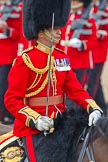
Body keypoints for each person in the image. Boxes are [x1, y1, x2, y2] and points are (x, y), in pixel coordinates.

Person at [4, 0, 103, 161]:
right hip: (32, 128)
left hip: (61, 124)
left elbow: (76, 90)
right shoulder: (25, 60)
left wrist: (93, 107)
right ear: (41, 32)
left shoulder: (61, 58)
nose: (59, 32)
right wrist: (35, 120)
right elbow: (11, 99)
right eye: (54, 29)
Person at [57, 0, 98, 109]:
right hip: (65, 61)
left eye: (76, 1)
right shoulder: (67, 17)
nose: (73, 3)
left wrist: (81, 44)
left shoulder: (88, 19)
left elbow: (93, 41)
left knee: (76, 92)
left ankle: (74, 119)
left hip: (80, 62)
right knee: (63, 90)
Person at [0, 0, 22, 124]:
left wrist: (6, 29)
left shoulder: (17, 9)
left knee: (4, 86)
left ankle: (5, 114)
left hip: (8, 53)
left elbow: (19, 33)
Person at [87, 0, 108, 116]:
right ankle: (103, 112)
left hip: (98, 53)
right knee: (95, 83)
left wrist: (99, 34)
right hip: (87, 53)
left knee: (92, 84)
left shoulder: (104, 11)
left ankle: (89, 111)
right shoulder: (88, 10)